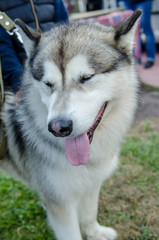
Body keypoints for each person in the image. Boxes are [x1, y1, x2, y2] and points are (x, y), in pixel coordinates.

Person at [0, 0, 69, 93]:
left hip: (59, 72)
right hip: (22, 79)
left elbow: (66, 31)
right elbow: (4, 49)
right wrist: (18, 82)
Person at [117, 0, 156, 68]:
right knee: (132, 31)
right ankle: (136, 57)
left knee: (146, 29)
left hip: (143, 2)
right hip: (127, 2)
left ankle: (150, 58)